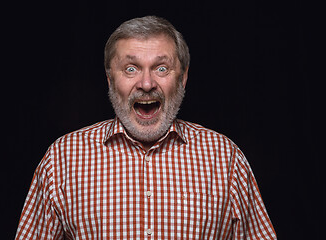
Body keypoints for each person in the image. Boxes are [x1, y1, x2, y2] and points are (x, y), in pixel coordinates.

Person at [15, 16, 276, 239]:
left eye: (161, 68)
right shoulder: (62, 159)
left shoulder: (224, 157)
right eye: (131, 69)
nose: (147, 83)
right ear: (110, 80)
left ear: (183, 78)